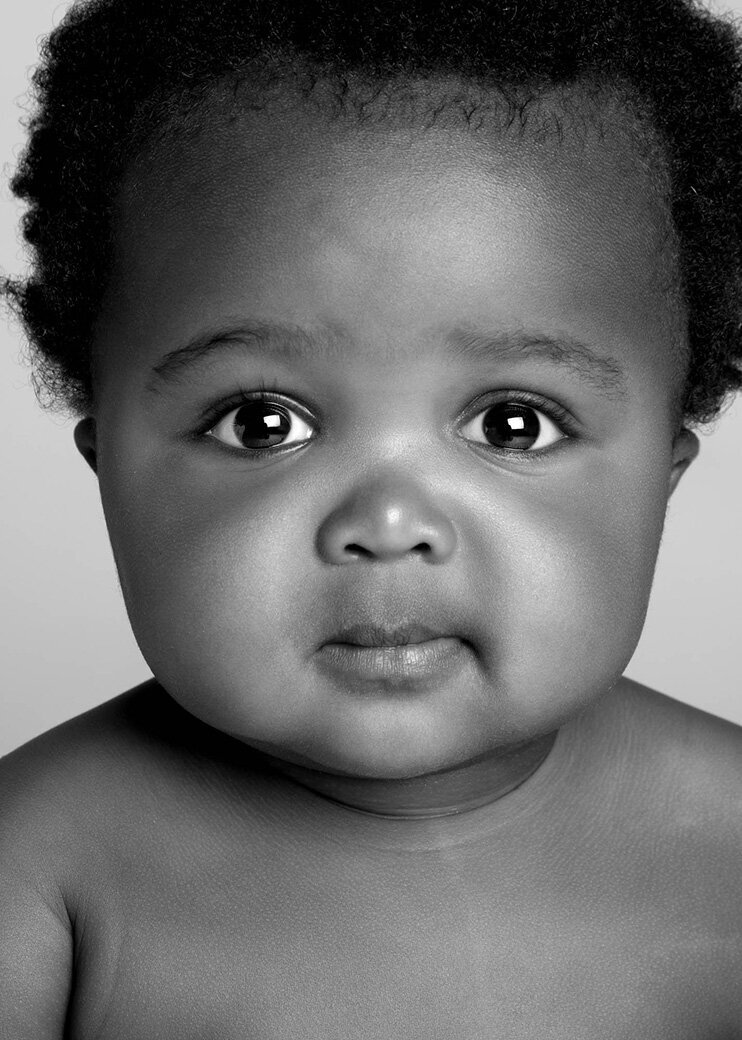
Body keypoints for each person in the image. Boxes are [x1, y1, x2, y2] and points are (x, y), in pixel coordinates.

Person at [2, 0, 741, 1034]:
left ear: (662, 474)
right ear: (107, 466)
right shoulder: (39, 871)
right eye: (263, 422)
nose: (388, 521)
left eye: (513, 422)